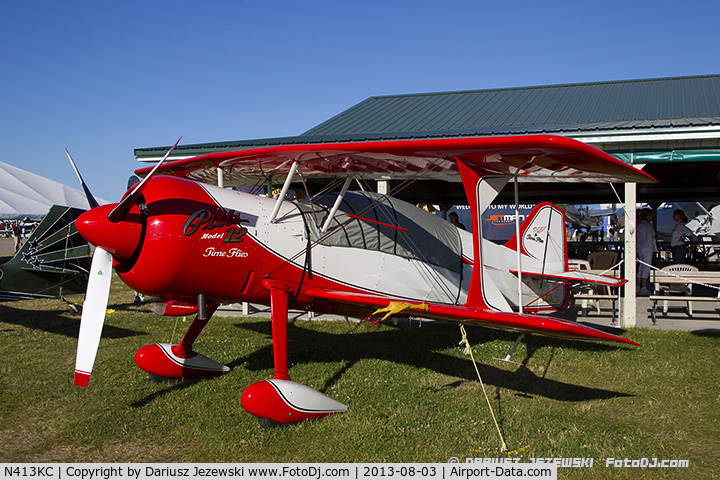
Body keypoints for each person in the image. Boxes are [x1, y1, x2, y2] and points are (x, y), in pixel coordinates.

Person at [636, 209, 657, 296]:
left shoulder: (640, 225)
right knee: (646, 268)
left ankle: (638, 286)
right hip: (648, 247)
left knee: (641, 268)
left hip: (640, 247)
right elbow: (650, 238)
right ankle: (644, 287)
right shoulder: (648, 226)